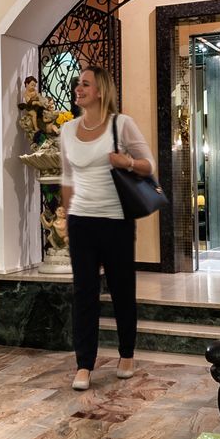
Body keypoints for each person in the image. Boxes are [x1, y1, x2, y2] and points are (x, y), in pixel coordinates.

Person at [59, 66, 154, 391]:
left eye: (85, 84)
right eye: (78, 84)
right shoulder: (67, 130)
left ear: (100, 90)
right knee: (83, 293)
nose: (79, 88)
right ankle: (84, 364)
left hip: (116, 221)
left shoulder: (120, 124)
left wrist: (127, 162)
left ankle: (126, 354)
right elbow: (67, 177)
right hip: (81, 221)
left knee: (121, 290)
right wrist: (67, 220)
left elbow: (149, 165)